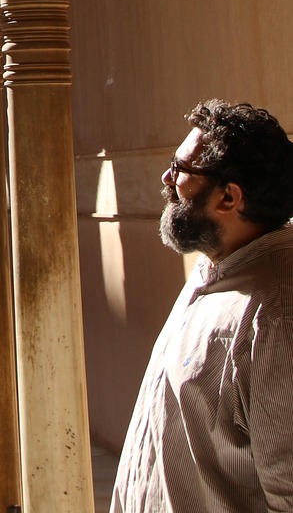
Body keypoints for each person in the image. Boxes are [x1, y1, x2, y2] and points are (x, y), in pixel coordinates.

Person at [111, 99, 293, 512]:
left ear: (228, 198)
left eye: (181, 169)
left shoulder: (276, 316)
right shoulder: (215, 268)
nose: (167, 178)